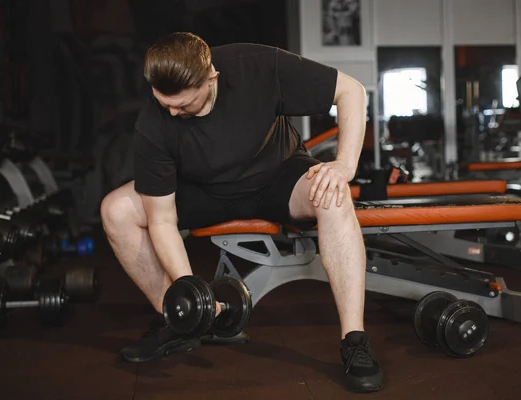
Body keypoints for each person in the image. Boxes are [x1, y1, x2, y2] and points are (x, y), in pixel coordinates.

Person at [100, 32, 383, 393]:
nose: (172, 112)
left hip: (277, 176)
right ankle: (176, 317)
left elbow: (351, 91)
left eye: (182, 105)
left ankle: (354, 340)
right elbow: (162, 220)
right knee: (116, 209)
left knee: (334, 195)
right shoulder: (154, 122)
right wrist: (194, 295)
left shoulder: (256, 66)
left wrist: (344, 165)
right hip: (204, 190)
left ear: (211, 77)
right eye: (164, 103)